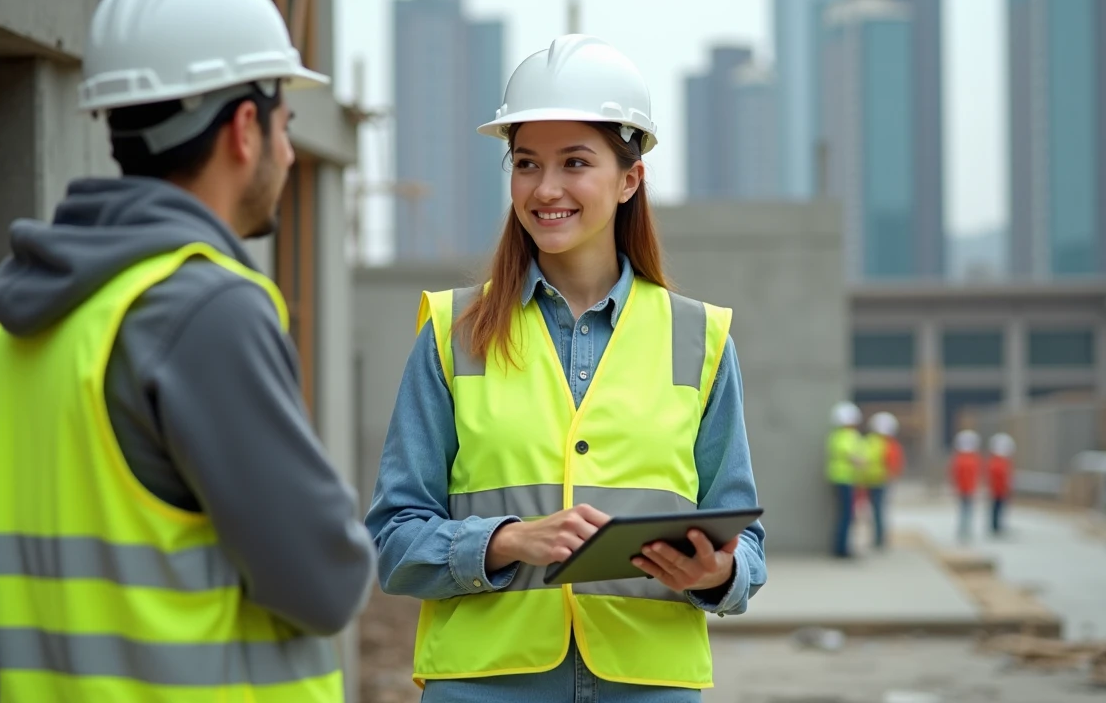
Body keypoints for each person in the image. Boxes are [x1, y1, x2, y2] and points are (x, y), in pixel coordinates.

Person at [0, 0, 376, 703]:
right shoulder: (205, 311)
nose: (290, 154)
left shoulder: (17, 336)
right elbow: (327, 582)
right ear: (246, 128)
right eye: (287, 125)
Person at [365, 34, 767, 700]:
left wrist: (716, 577)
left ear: (629, 178)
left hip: (649, 685)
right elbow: (396, 542)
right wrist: (510, 541)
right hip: (484, 685)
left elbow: (745, 544)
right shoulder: (450, 333)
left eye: (574, 162)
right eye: (525, 163)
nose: (545, 188)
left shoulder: (700, 339)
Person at [826, 401, 864, 558]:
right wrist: (861, 462)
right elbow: (851, 455)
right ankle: (841, 549)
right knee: (847, 515)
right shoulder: (846, 436)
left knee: (845, 515)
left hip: (840, 479)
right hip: (845, 479)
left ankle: (841, 547)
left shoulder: (836, 435)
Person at [859, 411, 901, 550]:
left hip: (871, 481)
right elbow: (894, 465)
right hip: (880, 481)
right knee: (879, 511)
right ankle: (879, 538)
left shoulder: (869, 441)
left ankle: (878, 538)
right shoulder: (889, 444)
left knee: (874, 511)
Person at [950, 430, 982, 542]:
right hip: (967, 489)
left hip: (964, 489)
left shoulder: (959, 459)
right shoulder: (971, 460)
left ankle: (963, 530)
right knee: (966, 510)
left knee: (964, 510)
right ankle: (965, 531)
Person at [986, 432, 1016, 536]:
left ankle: (997, 526)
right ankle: (996, 527)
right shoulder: (998, 462)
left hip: (999, 490)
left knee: (999, 509)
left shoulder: (1000, 461)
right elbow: (1001, 476)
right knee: (997, 509)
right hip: (998, 490)